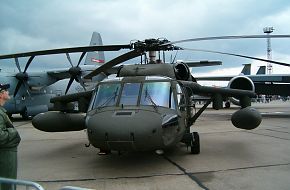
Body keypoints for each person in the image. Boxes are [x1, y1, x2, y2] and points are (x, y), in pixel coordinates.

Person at [0, 84, 21, 190]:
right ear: (1, 94)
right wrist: (13, 132)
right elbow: (1, 137)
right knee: (7, 184)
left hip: (6, 154)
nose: (8, 92)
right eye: (5, 90)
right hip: (5, 156)